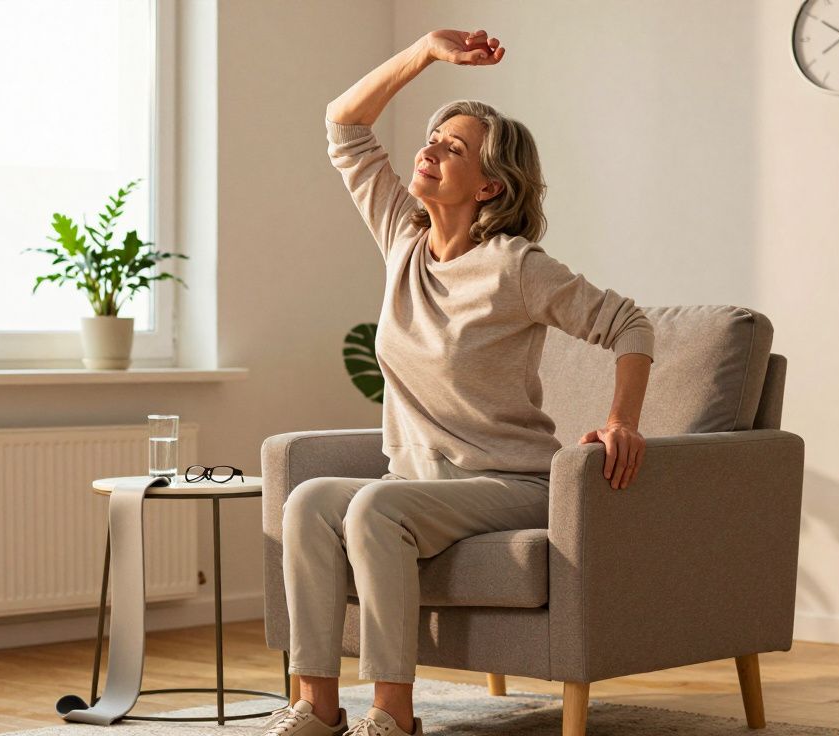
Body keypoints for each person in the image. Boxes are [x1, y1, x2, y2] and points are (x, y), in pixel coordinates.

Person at [262, 28, 655, 736]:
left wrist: (622, 420)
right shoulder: (402, 239)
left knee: (372, 511)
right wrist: (424, 52)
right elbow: (343, 123)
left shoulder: (517, 267)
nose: (429, 149)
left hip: (509, 484)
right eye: (432, 137)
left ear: (490, 185)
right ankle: (317, 709)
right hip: (421, 482)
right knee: (309, 501)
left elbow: (630, 326)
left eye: (454, 147)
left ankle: (393, 714)